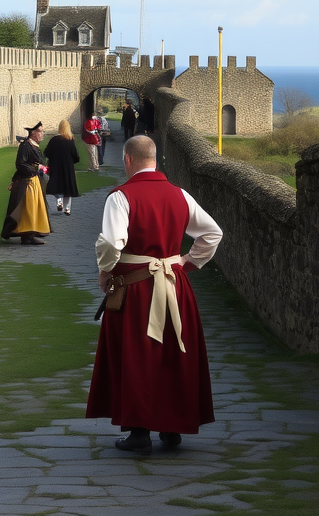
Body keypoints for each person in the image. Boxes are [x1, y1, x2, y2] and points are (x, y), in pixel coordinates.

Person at [86, 134, 223, 455]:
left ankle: (139, 432)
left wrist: (105, 271)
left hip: (135, 289)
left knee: (137, 355)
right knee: (172, 355)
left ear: (128, 160)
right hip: (175, 285)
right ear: (155, 159)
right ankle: (172, 427)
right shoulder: (180, 195)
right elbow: (212, 233)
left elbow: (111, 243)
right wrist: (187, 263)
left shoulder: (121, 197)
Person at [1, 122, 51, 246]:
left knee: (35, 207)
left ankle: (32, 231)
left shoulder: (34, 146)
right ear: (33, 133)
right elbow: (20, 164)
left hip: (34, 180)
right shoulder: (25, 146)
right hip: (27, 181)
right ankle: (27, 234)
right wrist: (36, 167)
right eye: (40, 132)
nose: (42, 134)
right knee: (29, 208)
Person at [43, 119, 80, 215]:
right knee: (68, 187)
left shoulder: (54, 140)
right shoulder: (70, 139)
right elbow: (75, 155)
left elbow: (47, 152)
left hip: (55, 166)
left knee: (55, 185)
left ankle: (59, 200)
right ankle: (67, 208)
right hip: (67, 167)